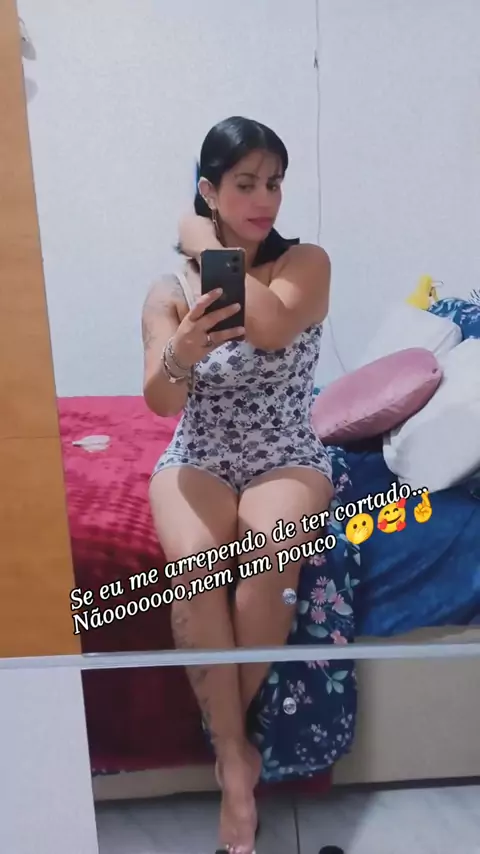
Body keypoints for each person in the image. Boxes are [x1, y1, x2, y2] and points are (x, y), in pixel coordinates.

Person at [142, 116, 333, 854]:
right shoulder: (169, 290)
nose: (265, 200)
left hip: (285, 450)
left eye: (274, 183)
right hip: (200, 451)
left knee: (271, 547)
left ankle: (230, 749)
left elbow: (274, 326)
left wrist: (202, 238)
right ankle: (235, 758)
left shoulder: (304, 264)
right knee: (193, 566)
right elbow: (160, 402)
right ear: (210, 189)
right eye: (245, 184)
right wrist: (181, 352)